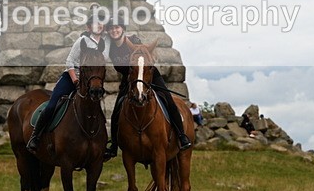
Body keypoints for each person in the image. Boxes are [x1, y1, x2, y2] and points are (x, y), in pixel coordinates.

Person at [104, 16, 192, 160]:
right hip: (129, 81)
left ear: (123, 29)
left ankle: (182, 136)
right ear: (108, 31)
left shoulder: (134, 41)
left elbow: (147, 54)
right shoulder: (110, 47)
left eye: (117, 27)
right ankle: (114, 146)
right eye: (111, 28)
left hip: (148, 77)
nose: (114, 30)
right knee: (116, 111)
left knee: (168, 101)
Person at [26, 13, 110, 153]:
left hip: (92, 80)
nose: (98, 25)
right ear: (89, 27)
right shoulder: (82, 40)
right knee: (53, 105)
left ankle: (101, 143)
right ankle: (36, 136)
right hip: (73, 77)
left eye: (100, 23)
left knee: (97, 109)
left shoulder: (106, 42)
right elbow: (70, 61)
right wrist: (75, 80)